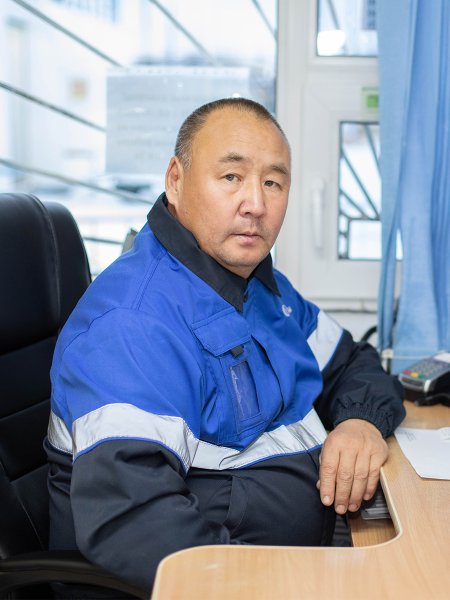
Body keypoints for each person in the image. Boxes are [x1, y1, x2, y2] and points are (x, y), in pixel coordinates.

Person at [46, 98, 405, 594]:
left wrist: (361, 423)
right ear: (175, 180)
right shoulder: (133, 323)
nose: (255, 204)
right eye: (231, 177)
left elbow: (353, 363)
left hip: (302, 552)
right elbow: (137, 523)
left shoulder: (259, 287)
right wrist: (276, 586)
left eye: (273, 183)